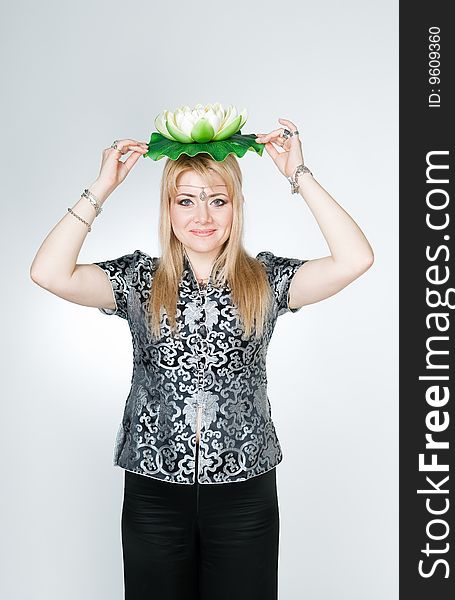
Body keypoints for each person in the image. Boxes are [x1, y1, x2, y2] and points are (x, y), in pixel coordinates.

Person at [30, 116, 374, 599]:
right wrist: (101, 187)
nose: (202, 217)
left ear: (236, 207)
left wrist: (299, 175)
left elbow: (355, 259)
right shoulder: (139, 281)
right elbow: (48, 271)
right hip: (153, 492)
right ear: (168, 209)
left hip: (244, 494)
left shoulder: (266, 280)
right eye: (186, 200)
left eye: (218, 200)